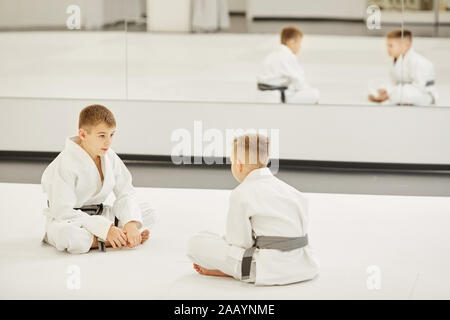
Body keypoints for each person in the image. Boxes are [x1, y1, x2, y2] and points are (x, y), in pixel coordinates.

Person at [187, 133, 320, 285]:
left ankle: (232, 272)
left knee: (195, 243)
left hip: (264, 269)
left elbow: (240, 244)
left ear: (239, 165)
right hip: (304, 266)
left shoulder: (242, 193)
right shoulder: (293, 192)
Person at [41, 104, 157, 254]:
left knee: (149, 212)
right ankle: (108, 240)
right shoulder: (65, 163)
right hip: (71, 220)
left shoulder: (109, 155)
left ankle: (119, 234)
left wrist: (130, 223)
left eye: (112, 134)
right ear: (83, 134)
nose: (108, 142)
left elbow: (125, 192)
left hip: (101, 214)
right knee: (66, 235)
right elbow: (62, 211)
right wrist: (105, 229)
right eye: (102, 135)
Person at [369, 29, 438, 106]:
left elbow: (419, 87)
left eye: (391, 45)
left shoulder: (418, 61)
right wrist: (386, 90)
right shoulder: (397, 60)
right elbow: (394, 82)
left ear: (406, 45)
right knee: (375, 86)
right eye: (387, 45)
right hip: (403, 92)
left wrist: (390, 92)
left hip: (424, 95)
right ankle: (385, 97)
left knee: (401, 94)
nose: (387, 49)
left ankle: (386, 99)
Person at [257, 26, 320, 104]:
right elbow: (299, 82)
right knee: (314, 94)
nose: (300, 47)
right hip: (276, 96)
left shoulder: (272, 55)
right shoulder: (286, 56)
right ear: (292, 42)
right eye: (299, 43)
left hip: (265, 95)